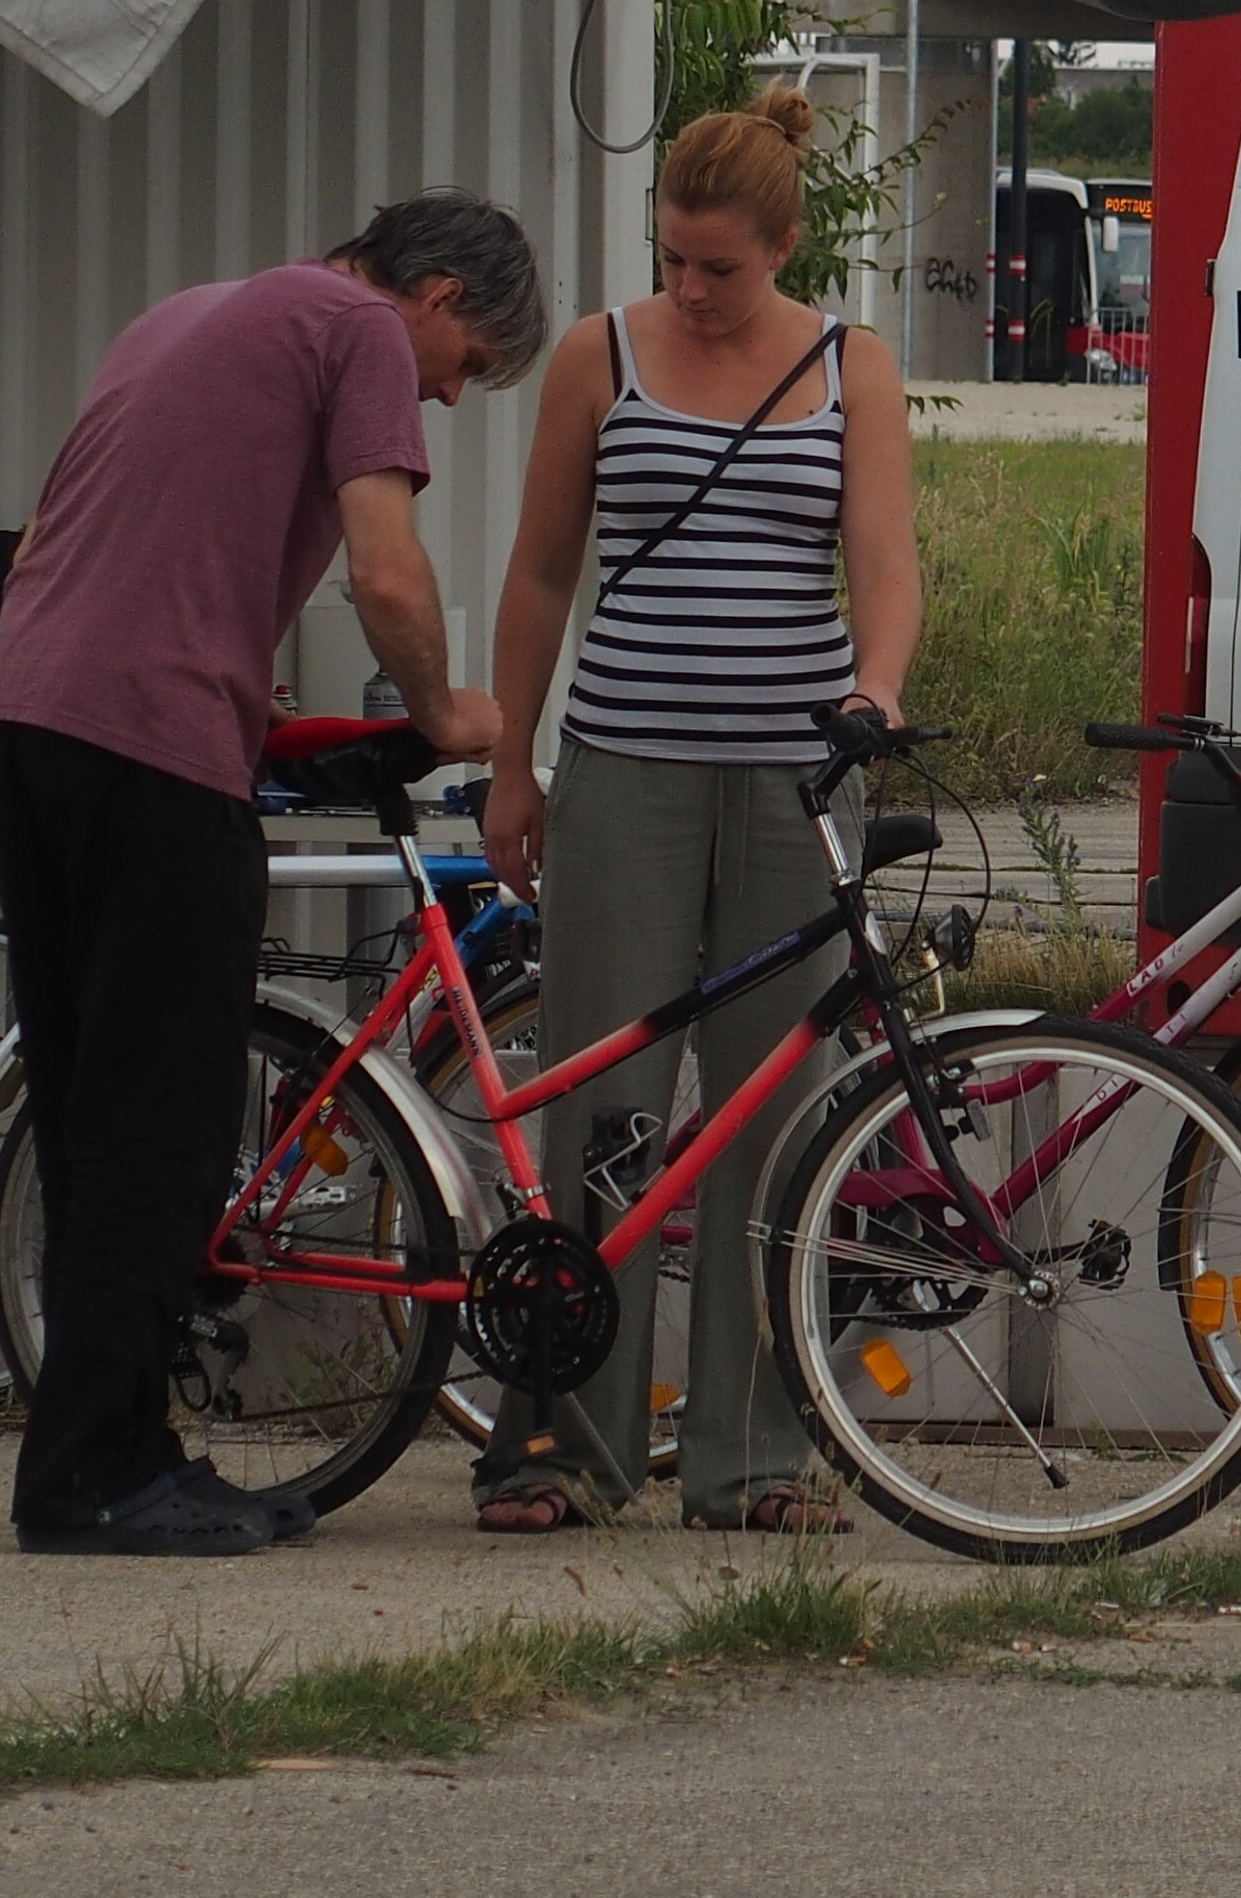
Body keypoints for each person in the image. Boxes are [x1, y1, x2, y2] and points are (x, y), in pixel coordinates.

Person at [0, 191, 541, 1556]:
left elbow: (100, 540)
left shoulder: (184, 315)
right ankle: (89, 1483)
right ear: (444, 298)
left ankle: (117, 1451)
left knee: (88, 1104)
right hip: (152, 751)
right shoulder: (356, 327)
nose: (447, 404)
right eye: (464, 375)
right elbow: (388, 574)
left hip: (30, 721)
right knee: (165, 1120)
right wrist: (456, 711)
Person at [472, 88, 921, 1534]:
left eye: (721, 266)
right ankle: (563, 1448)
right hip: (626, 775)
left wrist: (880, 687)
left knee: (766, 1117)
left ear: (784, 246)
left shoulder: (855, 367)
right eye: (674, 258)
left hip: (790, 787)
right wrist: (513, 761)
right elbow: (543, 570)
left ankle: (749, 1462)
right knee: (604, 1111)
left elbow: (886, 564)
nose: (693, 287)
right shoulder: (601, 357)